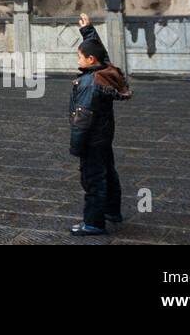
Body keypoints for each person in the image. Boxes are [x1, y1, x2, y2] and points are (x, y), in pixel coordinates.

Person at [69, 12, 133, 236]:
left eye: (80, 56)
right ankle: (112, 211)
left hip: (91, 139)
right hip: (104, 136)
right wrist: (88, 31)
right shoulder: (105, 72)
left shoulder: (89, 83)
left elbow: (82, 118)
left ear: (89, 60)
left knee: (93, 180)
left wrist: (76, 146)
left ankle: (93, 223)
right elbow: (102, 55)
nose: (77, 60)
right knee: (109, 173)